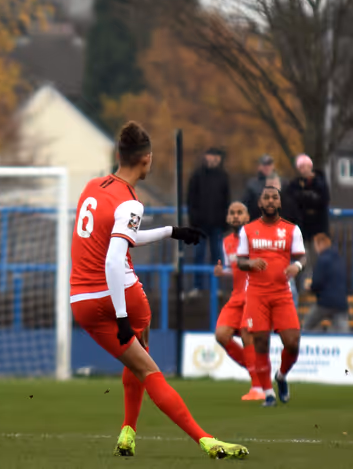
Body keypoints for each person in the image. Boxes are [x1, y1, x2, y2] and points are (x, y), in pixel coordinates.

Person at [69, 121, 248, 459]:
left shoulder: (93, 187)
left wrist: (171, 231)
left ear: (119, 154)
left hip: (81, 301)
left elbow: (121, 235)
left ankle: (127, 432)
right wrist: (122, 316)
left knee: (138, 362)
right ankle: (206, 440)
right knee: (149, 368)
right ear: (146, 159)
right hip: (119, 293)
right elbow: (113, 259)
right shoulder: (131, 202)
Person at [237, 185, 306, 407]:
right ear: (259, 203)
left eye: (274, 197)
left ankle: (282, 375)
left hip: (282, 293)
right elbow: (239, 261)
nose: (270, 201)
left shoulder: (291, 229)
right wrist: (250, 263)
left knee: (293, 342)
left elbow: (302, 257)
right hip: (257, 293)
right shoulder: (247, 230)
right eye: (266, 197)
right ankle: (268, 393)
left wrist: (296, 265)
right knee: (260, 342)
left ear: (279, 202)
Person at [212, 201, 264, 401]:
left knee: (246, 332)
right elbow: (232, 269)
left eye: (239, 212)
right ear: (227, 218)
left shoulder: (257, 239)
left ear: (247, 217)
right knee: (221, 334)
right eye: (232, 213)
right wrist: (222, 272)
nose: (235, 216)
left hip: (254, 294)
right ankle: (258, 370)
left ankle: (258, 387)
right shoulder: (226, 242)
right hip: (237, 295)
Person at [188, 148, 230, 295]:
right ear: (206, 157)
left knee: (217, 256)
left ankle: (216, 286)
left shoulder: (223, 176)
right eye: (211, 156)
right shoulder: (197, 175)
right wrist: (193, 219)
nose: (213, 159)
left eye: (216, 157)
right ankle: (197, 286)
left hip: (217, 224)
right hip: (200, 224)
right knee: (198, 254)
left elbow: (226, 200)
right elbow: (191, 199)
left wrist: (225, 221)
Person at [285, 154, 330, 289]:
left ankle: (320, 285)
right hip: (303, 227)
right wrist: (308, 198)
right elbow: (291, 200)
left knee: (319, 257)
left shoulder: (320, 182)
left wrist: (305, 198)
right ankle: (304, 286)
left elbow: (323, 201)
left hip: (318, 227)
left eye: (306, 166)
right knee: (303, 258)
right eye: (301, 167)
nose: (304, 170)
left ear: (310, 166)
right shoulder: (295, 184)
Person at [301, 233, 349, 333]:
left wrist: (310, 287)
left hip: (325, 302)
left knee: (307, 325)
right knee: (343, 333)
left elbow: (317, 282)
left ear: (321, 244)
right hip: (341, 302)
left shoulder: (322, 260)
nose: (315, 248)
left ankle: (302, 343)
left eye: (315, 245)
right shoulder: (339, 259)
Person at [242, 154, 276, 221]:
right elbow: (245, 204)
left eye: (269, 165)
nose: (267, 167)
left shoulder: (281, 183)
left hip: (276, 223)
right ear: (259, 167)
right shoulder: (252, 184)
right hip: (257, 221)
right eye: (264, 165)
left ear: (273, 166)